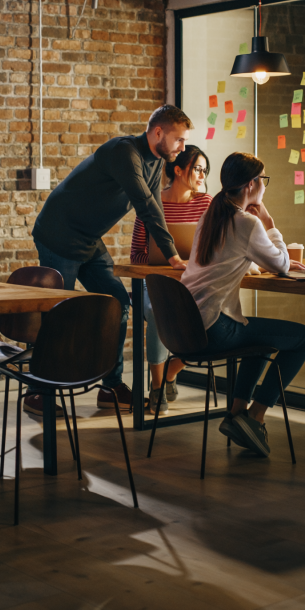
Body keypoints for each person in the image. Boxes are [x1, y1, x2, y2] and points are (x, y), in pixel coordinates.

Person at [31, 104, 192, 414]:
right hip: (59, 233)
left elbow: (154, 207)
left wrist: (165, 252)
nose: (181, 148)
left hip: (89, 239)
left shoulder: (157, 160)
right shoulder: (124, 151)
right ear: (158, 132)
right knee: (56, 313)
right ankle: (39, 391)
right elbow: (144, 203)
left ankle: (110, 387)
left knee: (118, 302)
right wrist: (172, 255)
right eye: (178, 140)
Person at [180, 151, 305, 458]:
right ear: (252, 184)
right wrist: (268, 221)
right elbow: (281, 264)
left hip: (188, 324)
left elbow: (226, 258)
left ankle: (235, 414)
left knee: (260, 340)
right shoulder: (248, 223)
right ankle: (254, 416)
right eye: (263, 180)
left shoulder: (212, 214)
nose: (264, 187)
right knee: (303, 337)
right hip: (214, 328)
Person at [129, 145, 212, 414]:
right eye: (197, 168)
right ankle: (156, 387)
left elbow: (213, 250)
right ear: (178, 170)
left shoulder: (206, 204)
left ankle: (171, 371)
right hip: (153, 282)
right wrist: (168, 262)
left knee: (213, 310)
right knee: (156, 310)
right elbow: (136, 256)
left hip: (192, 284)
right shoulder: (152, 204)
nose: (202, 175)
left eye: (204, 170)